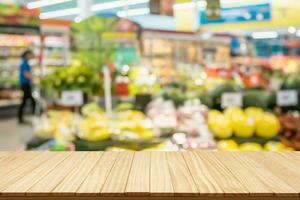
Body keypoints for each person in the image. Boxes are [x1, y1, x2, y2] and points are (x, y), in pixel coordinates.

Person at [18, 50, 36, 124]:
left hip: (26, 84)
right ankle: (35, 116)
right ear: (26, 55)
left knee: (25, 101)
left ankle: (21, 118)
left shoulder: (25, 63)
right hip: (25, 84)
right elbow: (26, 75)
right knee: (31, 101)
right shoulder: (24, 63)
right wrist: (34, 77)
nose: (31, 56)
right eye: (30, 54)